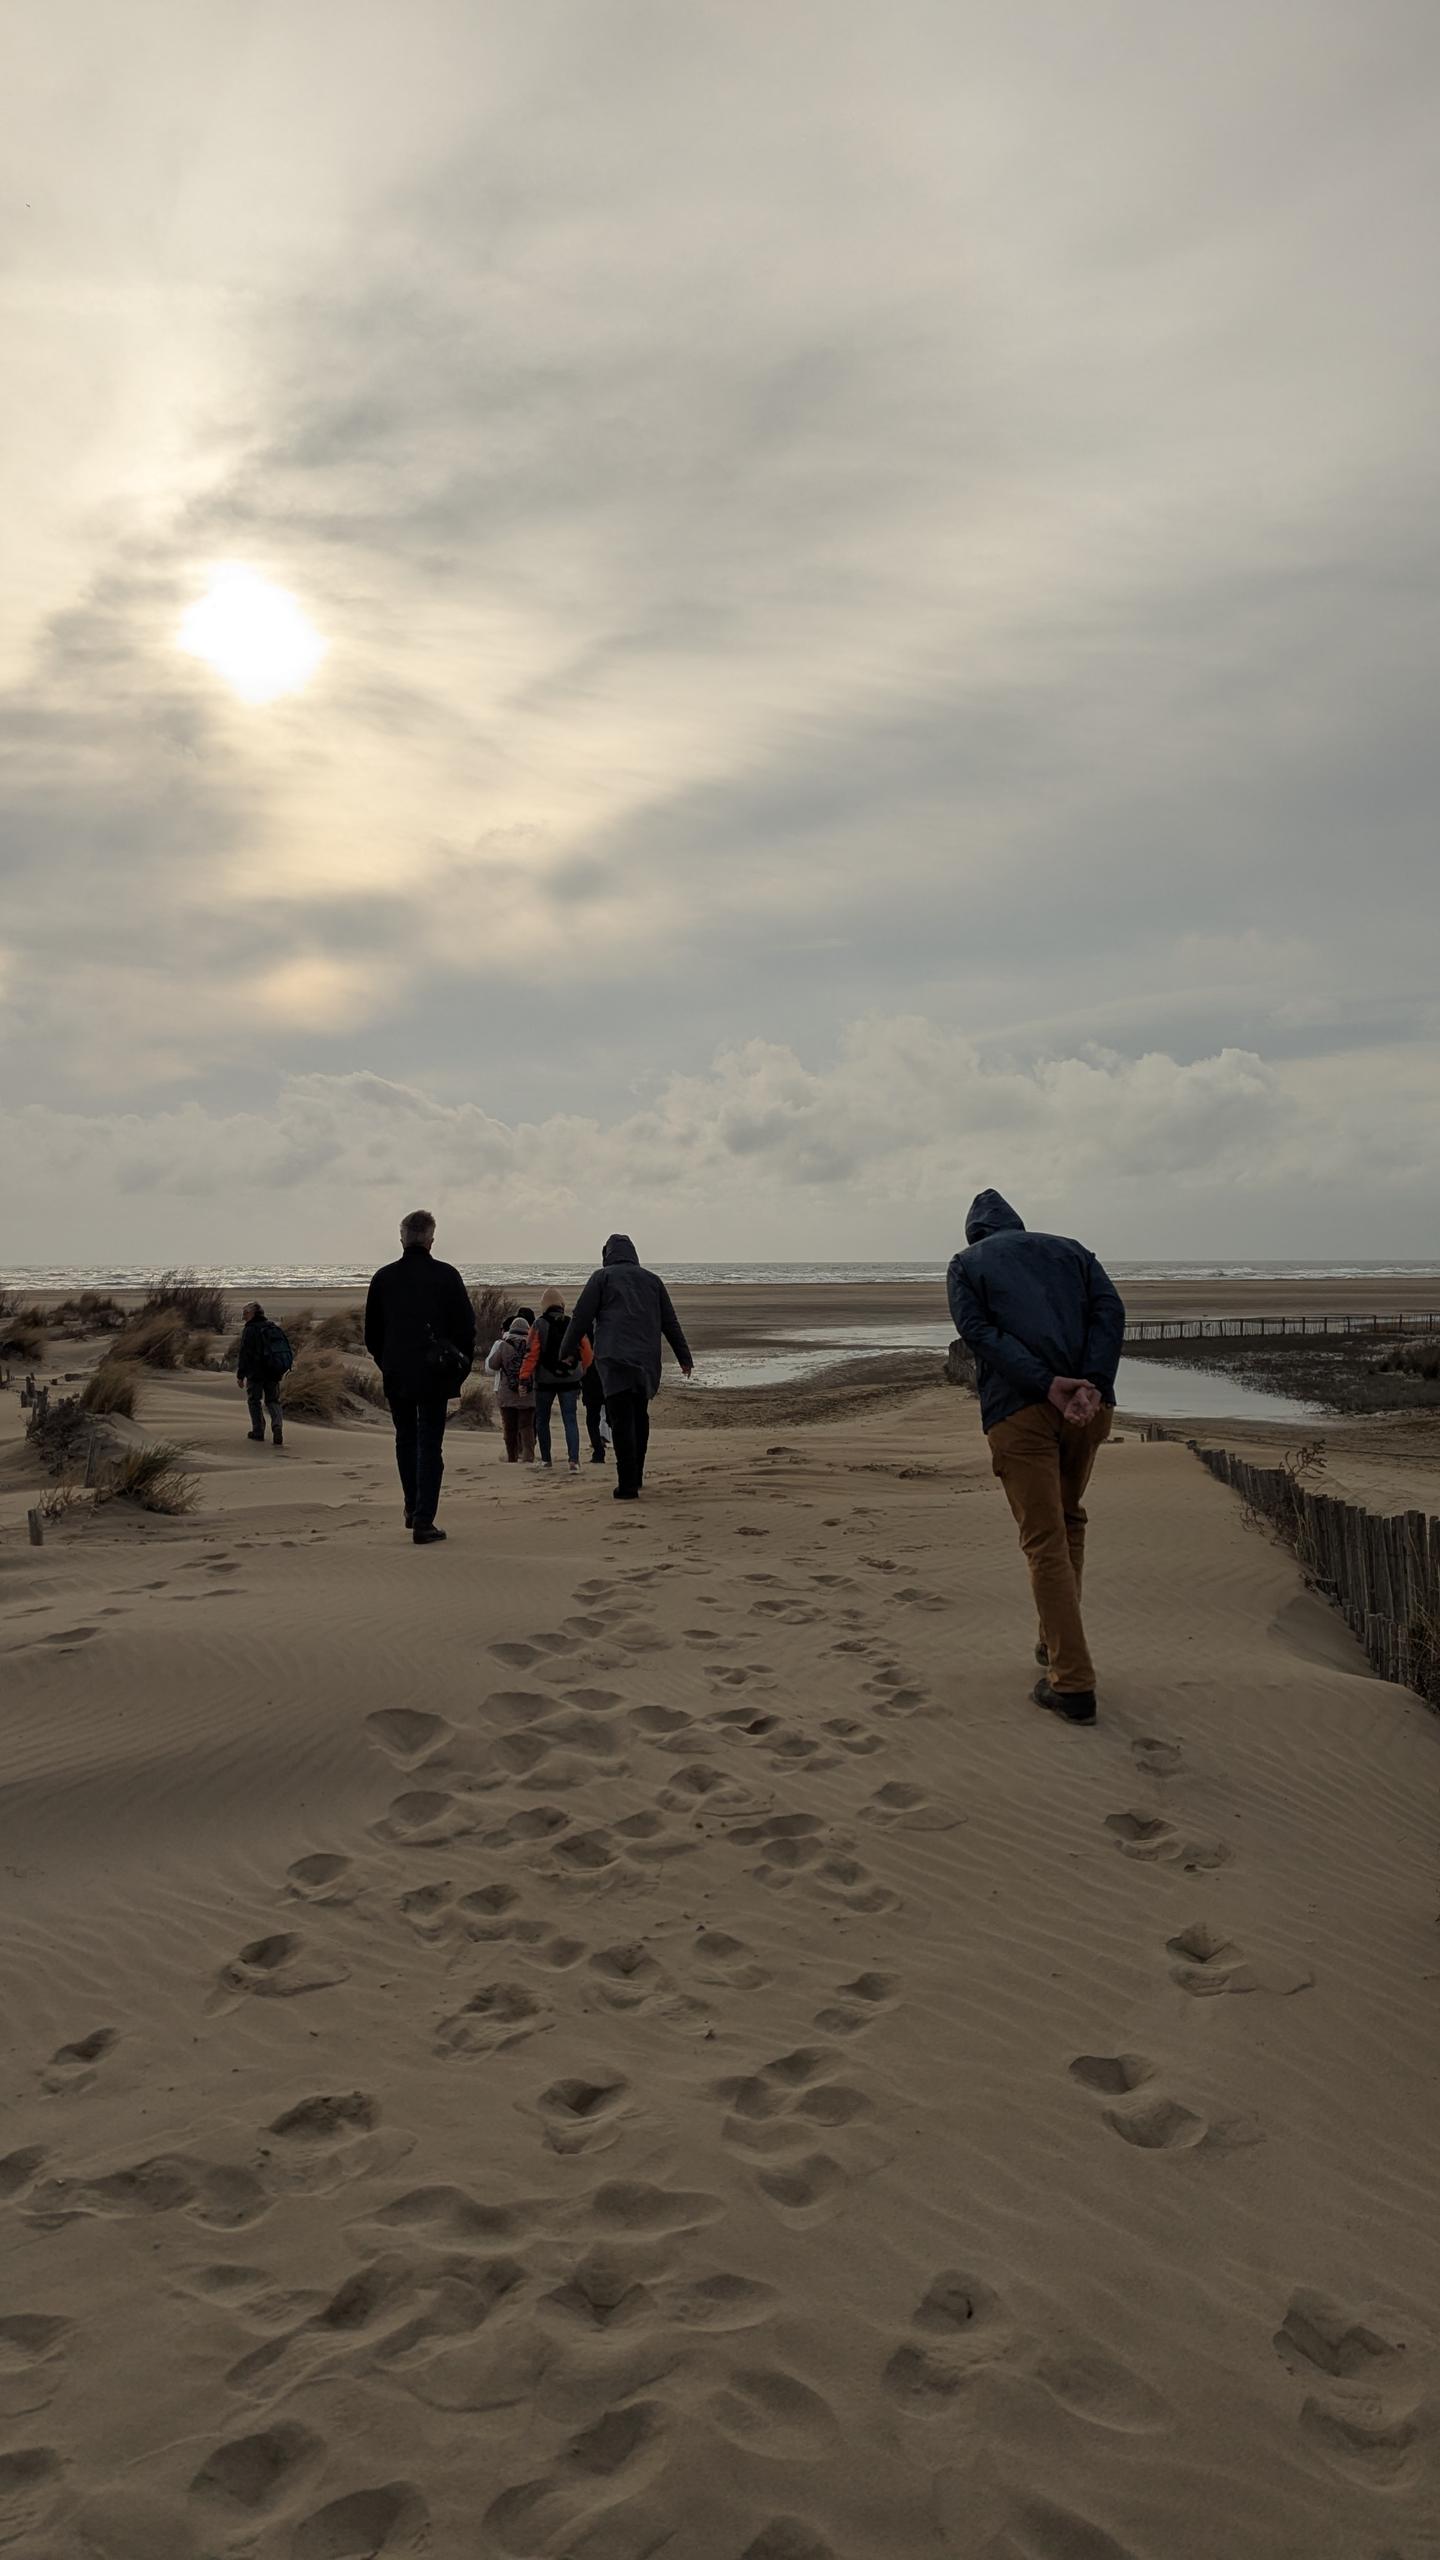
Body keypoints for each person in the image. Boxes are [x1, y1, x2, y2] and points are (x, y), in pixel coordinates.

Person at [947, 1188, 1125, 1726]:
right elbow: (1110, 1311)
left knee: (1044, 1536)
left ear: (974, 1233)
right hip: (1088, 1410)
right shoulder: (1072, 1251)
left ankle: (1072, 1684)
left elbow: (977, 1332)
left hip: (1019, 1411)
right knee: (1068, 1519)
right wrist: (1091, 1384)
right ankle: (1054, 1644)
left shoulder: (966, 1263)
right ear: (1018, 1225)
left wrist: (1046, 1384)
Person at [363, 1210, 476, 1544]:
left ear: (403, 1239)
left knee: (406, 1439)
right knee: (428, 1444)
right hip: (434, 1372)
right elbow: (466, 1327)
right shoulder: (446, 1276)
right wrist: (461, 1363)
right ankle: (422, 1518)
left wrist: (387, 1361)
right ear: (430, 1239)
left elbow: (371, 1334)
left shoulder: (384, 1278)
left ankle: (415, 1509)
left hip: (399, 1371)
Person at [561, 1234, 693, 1500]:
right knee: (639, 1415)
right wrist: (684, 1357)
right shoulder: (652, 1280)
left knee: (621, 1418)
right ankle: (637, 1475)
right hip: (646, 1360)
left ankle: (627, 1484)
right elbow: (670, 1322)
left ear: (607, 1254)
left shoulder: (602, 1278)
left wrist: (566, 1350)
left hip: (614, 1358)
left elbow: (581, 1317)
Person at [519, 1288, 592, 1471]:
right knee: (570, 1419)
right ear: (562, 1304)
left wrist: (524, 1377)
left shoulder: (538, 1324)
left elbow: (531, 1354)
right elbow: (587, 1351)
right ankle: (573, 1461)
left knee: (542, 1420)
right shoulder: (572, 1323)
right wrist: (582, 1370)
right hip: (571, 1379)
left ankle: (546, 1459)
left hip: (544, 1380)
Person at [235, 1300, 291, 1448]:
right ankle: (277, 1426)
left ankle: (258, 1431)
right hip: (273, 1370)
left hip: (256, 1372)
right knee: (273, 1400)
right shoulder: (271, 1327)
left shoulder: (250, 1330)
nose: (243, 1317)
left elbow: (244, 1354)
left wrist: (240, 1375)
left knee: (254, 1400)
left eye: (245, 1313)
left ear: (253, 1314)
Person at [486, 1309, 538, 1463]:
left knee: (510, 1428)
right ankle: (529, 1455)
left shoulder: (503, 1346)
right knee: (527, 1426)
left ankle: (512, 1457)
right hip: (527, 1394)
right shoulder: (533, 1346)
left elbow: (492, 1365)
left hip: (507, 1395)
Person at [581, 1356, 608, 1464]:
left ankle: (598, 1452)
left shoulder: (586, 1340)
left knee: (592, 1421)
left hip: (591, 1384)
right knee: (614, 1419)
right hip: (608, 1381)